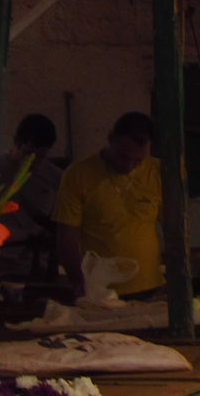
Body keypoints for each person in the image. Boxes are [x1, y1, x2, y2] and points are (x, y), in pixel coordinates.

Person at [54, 111, 163, 298]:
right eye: (123, 156)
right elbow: (66, 234)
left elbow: (174, 228)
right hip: (100, 291)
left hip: (151, 287)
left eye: (138, 160)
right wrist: (78, 280)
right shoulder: (78, 174)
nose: (129, 165)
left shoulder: (158, 172)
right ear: (111, 139)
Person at [0, 114, 63, 281]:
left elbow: (62, 226)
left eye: (40, 156)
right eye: (28, 154)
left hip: (33, 267)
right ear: (17, 141)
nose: (34, 162)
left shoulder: (55, 178)